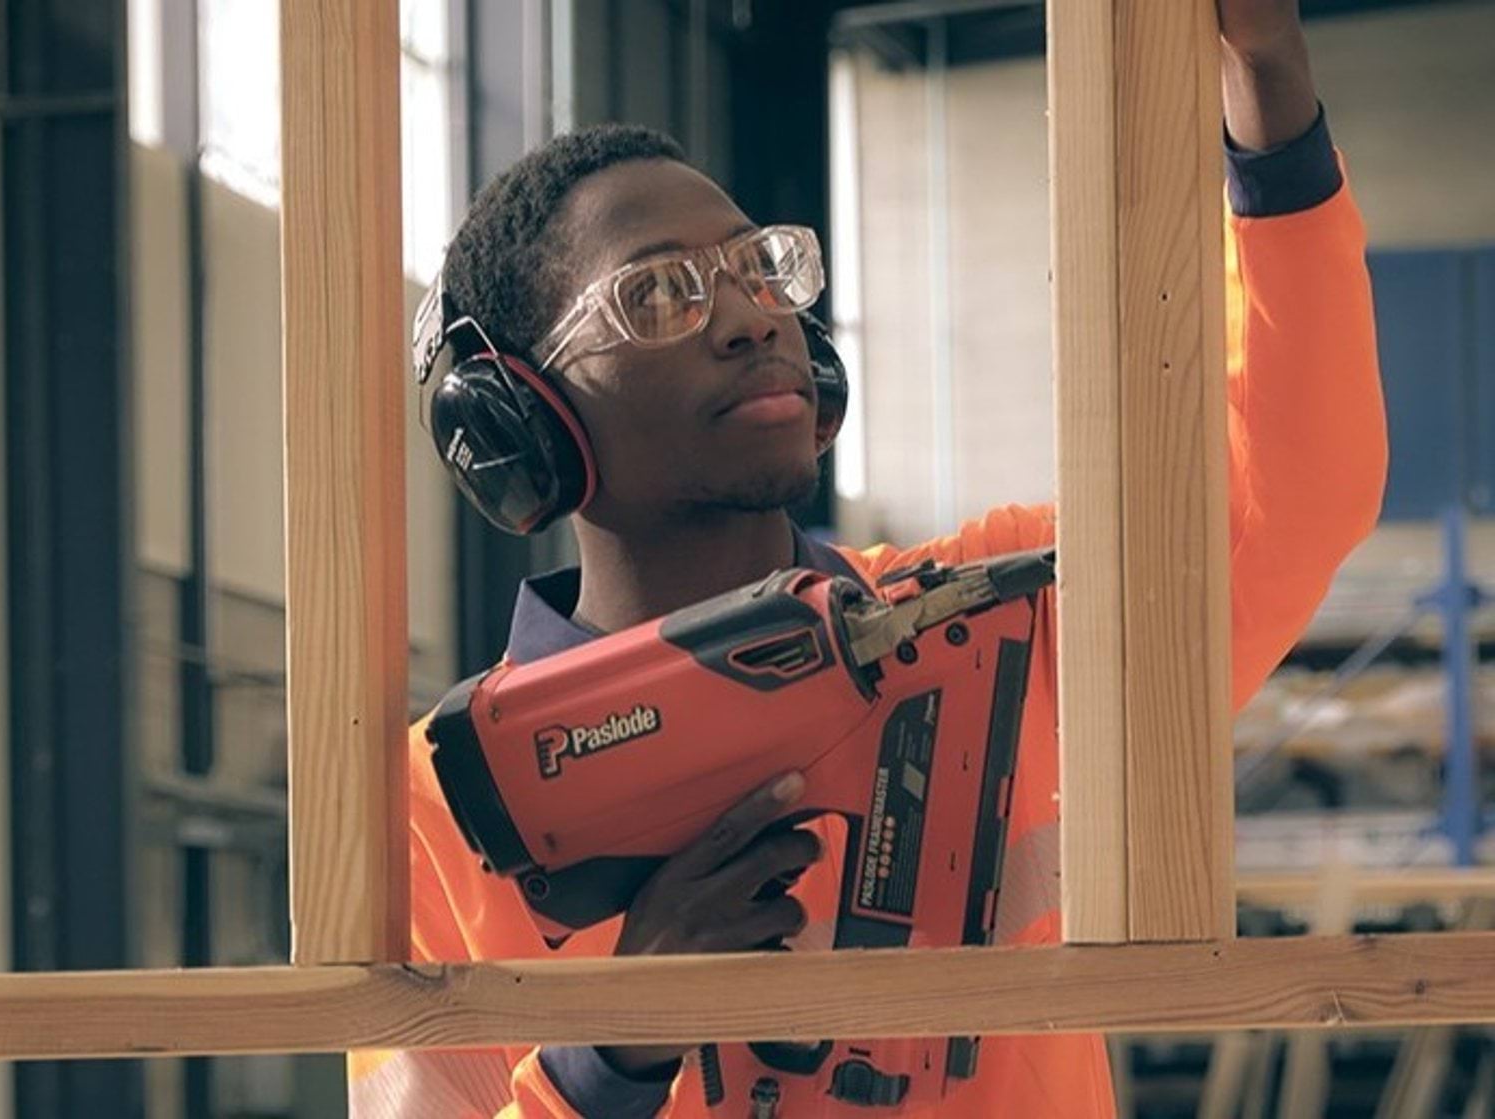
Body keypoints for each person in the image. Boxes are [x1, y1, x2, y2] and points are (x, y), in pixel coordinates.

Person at [350, 1, 1387, 1114]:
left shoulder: (981, 620)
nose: (752, 317)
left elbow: (1284, 489)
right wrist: (612, 1051)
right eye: (657, 294)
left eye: (760, 269)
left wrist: (1265, 82)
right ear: (524, 423)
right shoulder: (442, 806)